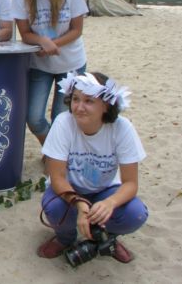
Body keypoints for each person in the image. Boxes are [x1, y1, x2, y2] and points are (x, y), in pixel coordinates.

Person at [37, 71, 148, 263]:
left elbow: (130, 183)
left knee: (135, 214)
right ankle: (65, 238)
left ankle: (107, 238)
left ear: (106, 105)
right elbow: (57, 177)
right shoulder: (63, 123)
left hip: (106, 189)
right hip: (69, 188)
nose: (79, 107)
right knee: (53, 208)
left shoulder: (122, 128)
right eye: (75, 99)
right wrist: (80, 204)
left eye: (89, 101)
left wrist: (110, 203)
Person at [11, 0, 88, 146]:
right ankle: (52, 150)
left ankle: (56, 156)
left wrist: (54, 44)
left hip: (71, 63)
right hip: (40, 64)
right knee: (34, 117)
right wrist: (41, 41)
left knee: (60, 118)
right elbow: (25, 33)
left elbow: (77, 29)